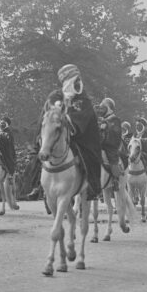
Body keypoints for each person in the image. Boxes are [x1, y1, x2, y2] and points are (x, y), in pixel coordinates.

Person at [59, 64, 103, 200]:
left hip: (83, 137)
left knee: (90, 156)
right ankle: (39, 185)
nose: (78, 82)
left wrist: (69, 123)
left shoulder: (84, 101)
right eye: (75, 80)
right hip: (63, 135)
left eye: (78, 80)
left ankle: (92, 186)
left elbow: (80, 120)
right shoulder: (60, 99)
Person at [96, 98, 122, 183]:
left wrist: (106, 127)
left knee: (112, 158)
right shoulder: (101, 120)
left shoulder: (115, 120)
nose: (101, 107)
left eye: (103, 105)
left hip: (110, 146)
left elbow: (116, 135)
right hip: (99, 145)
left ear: (108, 107)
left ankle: (116, 179)